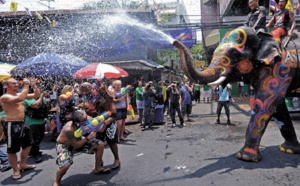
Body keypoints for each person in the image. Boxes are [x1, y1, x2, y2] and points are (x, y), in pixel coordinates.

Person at [53, 110, 111, 186]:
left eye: (86, 116)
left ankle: (98, 168)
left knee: (100, 145)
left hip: (79, 139)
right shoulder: (69, 129)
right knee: (65, 165)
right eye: (85, 119)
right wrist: (88, 138)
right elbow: (76, 145)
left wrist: (105, 123)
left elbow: (100, 130)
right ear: (78, 122)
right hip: (65, 145)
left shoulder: (87, 119)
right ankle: (56, 181)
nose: (88, 119)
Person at [0, 77, 40, 180]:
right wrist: (26, 86)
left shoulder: (19, 94)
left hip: (23, 123)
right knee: (12, 150)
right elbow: (20, 99)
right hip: (11, 124)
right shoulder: (4, 97)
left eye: (17, 83)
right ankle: (15, 170)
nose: (17, 85)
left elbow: (37, 95)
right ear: (6, 86)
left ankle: (22, 164)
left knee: (28, 145)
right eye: (13, 84)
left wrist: (33, 85)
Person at [25, 90, 51, 163]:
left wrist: (48, 99)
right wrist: (41, 97)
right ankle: (36, 153)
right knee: (35, 138)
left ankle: (32, 151)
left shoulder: (40, 98)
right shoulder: (28, 99)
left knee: (41, 136)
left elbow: (47, 106)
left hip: (41, 121)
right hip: (32, 122)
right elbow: (35, 105)